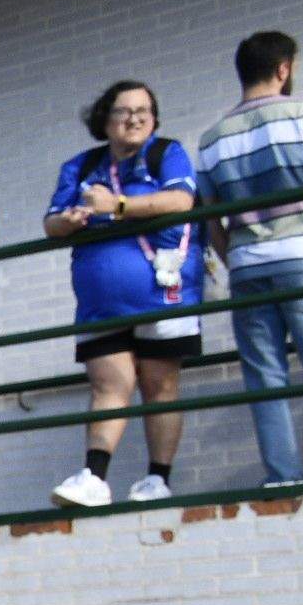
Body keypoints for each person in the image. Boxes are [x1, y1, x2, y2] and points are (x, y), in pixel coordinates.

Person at [43, 81, 202, 509]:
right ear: (104, 119)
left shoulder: (166, 153)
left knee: (159, 385)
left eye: (144, 110)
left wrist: (117, 206)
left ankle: (157, 479)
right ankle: (94, 476)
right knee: (109, 384)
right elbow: (51, 223)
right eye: (123, 110)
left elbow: (181, 200)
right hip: (101, 302)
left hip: (163, 293)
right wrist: (74, 219)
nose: (134, 118)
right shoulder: (79, 166)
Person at [195, 30, 303, 486]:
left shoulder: (211, 139)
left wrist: (236, 260)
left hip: (248, 265)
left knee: (265, 378)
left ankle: (283, 475)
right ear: (284, 68)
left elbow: (212, 221)